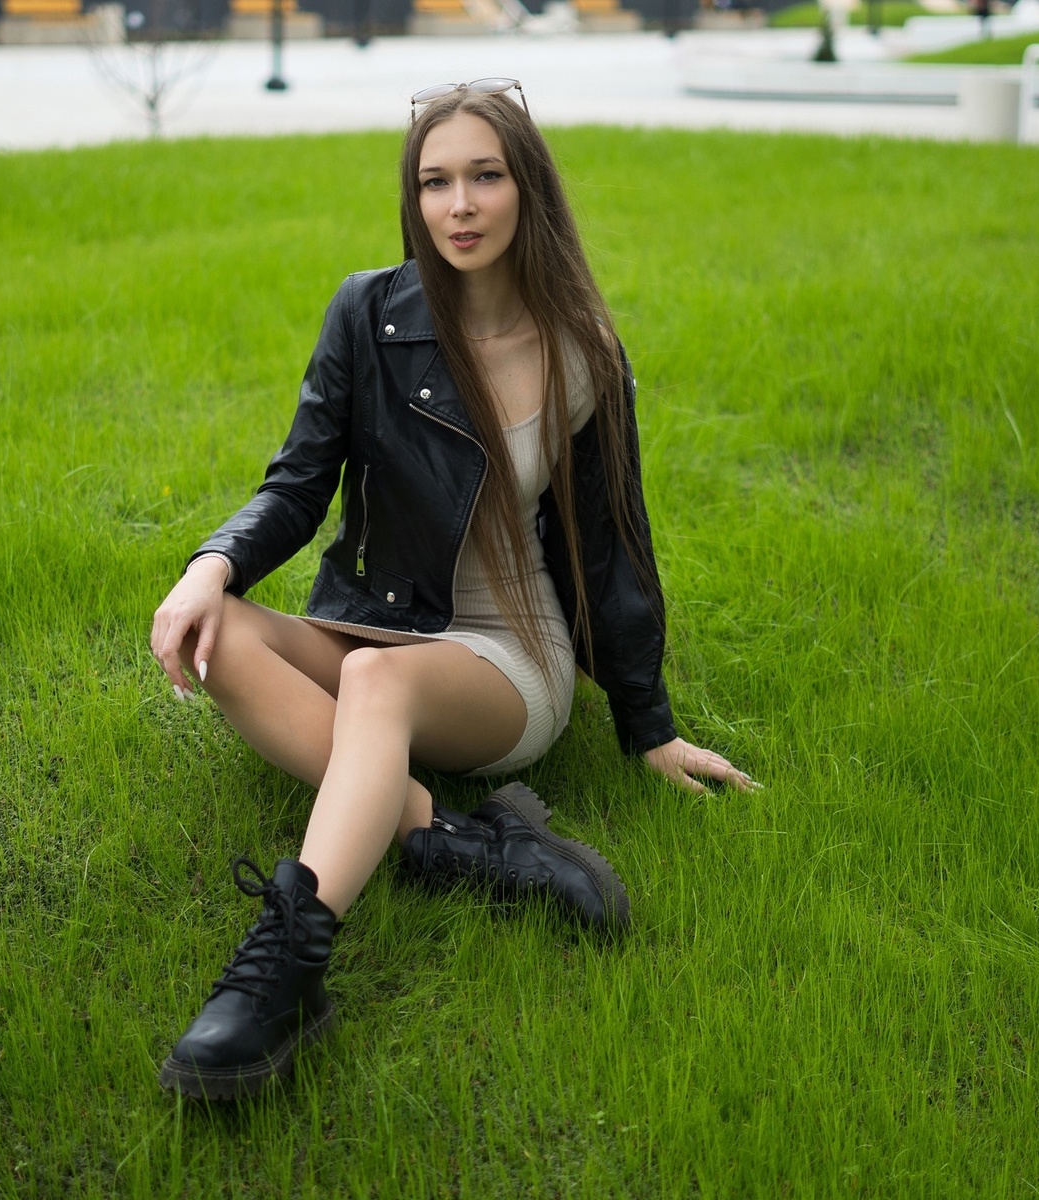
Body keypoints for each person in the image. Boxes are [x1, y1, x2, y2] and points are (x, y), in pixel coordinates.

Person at [146, 78, 755, 1101]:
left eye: (485, 177)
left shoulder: (583, 352)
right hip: (381, 625)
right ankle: (455, 839)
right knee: (225, 641)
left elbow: (612, 550)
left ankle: (284, 971)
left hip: (506, 660)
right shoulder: (367, 313)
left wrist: (647, 728)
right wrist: (210, 568)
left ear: (528, 191)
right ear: (413, 198)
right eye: (435, 182)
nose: (460, 206)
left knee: (378, 689)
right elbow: (298, 484)